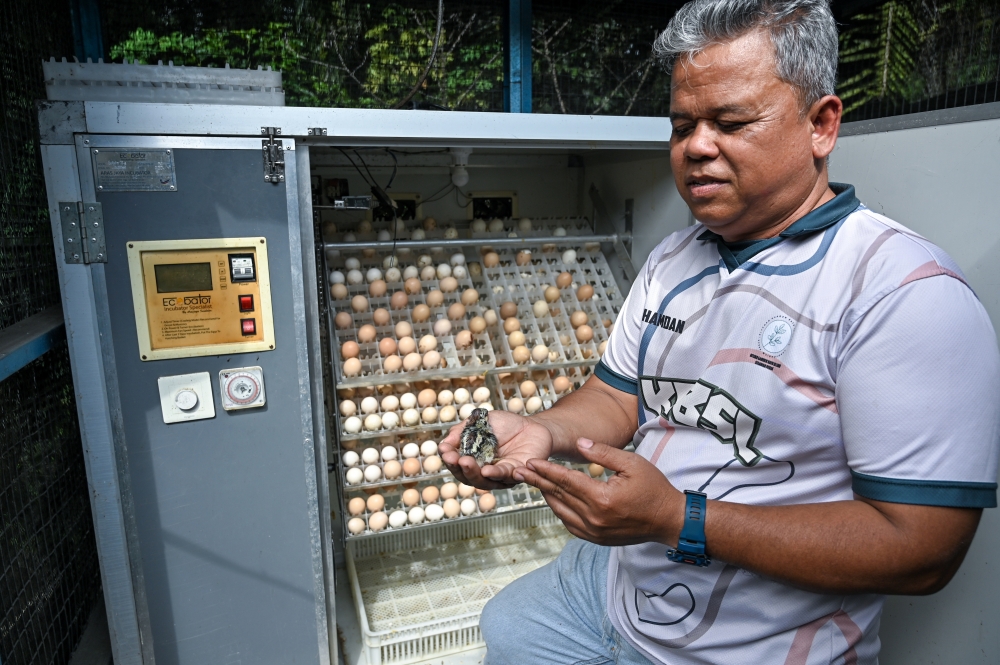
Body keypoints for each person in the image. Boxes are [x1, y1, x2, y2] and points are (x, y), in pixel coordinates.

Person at [440, 0, 1000, 662]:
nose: (697, 146)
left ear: (821, 124)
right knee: (508, 622)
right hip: (610, 579)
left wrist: (681, 519)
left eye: (730, 122)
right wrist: (546, 432)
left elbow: (922, 548)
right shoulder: (674, 258)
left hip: (741, 642)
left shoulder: (900, 290)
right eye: (683, 126)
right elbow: (619, 395)